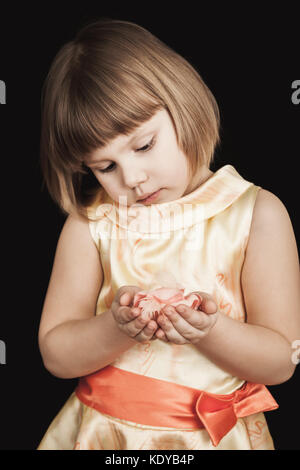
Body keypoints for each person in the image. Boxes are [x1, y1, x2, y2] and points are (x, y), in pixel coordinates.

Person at [36, 18, 300, 450]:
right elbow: (56, 355)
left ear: (183, 104)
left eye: (143, 146)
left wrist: (208, 330)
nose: (133, 178)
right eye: (106, 167)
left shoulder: (257, 215)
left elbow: (280, 362)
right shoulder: (92, 224)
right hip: (105, 437)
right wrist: (117, 328)